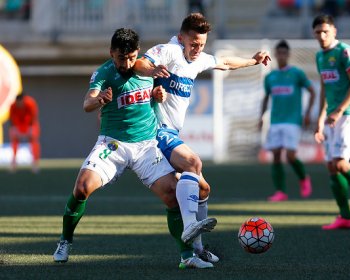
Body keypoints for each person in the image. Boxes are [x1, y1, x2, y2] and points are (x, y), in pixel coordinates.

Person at [52, 28, 216, 269]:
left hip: (146, 146)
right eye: (120, 58)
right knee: (82, 188)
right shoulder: (104, 73)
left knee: (172, 194)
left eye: (130, 57)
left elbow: (155, 92)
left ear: (137, 53)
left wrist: (157, 94)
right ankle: (65, 240)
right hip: (113, 144)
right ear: (111, 53)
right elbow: (87, 102)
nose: (126, 63)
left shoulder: (148, 69)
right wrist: (98, 101)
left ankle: (187, 256)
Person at [133, 12, 271, 259]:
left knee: (204, 190)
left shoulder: (198, 59)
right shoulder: (170, 50)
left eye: (202, 44)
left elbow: (225, 62)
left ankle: (198, 249)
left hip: (171, 131)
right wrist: (154, 69)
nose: (197, 49)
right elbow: (139, 64)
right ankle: (188, 228)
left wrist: (253, 61)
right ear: (181, 38)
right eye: (193, 43)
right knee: (193, 162)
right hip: (155, 131)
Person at [312, 14, 350, 230]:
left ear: (334, 30)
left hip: (349, 113)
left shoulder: (345, 51)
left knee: (340, 163)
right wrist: (319, 119)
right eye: (318, 32)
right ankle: (345, 217)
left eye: (326, 31)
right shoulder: (320, 56)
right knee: (332, 167)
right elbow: (324, 89)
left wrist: (338, 110)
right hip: (332, 117)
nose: (322, 35)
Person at [260, 40, 315, 202]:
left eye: (284, 53)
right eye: (279, 53)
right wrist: (261, 117)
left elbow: (312, 91)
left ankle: (304, 177)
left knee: (290, 156)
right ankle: (280, 192)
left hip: (292, 120)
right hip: (276, 120)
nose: (282, 56)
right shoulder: (270, 77)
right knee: (276, 155)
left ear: (288, 55)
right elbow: (266, 98)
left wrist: (308, 113)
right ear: (276, 55)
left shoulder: (297, 73)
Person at [8, 93, 41, 173]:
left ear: (23, 100)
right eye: (18, 103)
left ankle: (35, 162)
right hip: (19, 125)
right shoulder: (13, 106)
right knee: (13, 136)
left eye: (20, 103)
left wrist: (28, 129)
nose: (19, 105)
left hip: (29, 124)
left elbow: (33, 117)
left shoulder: (30, 103)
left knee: (34, 138)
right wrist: (17, 130)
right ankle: (14, 162)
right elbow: (12, 119)